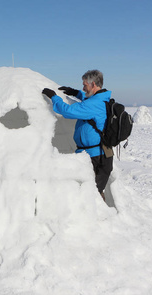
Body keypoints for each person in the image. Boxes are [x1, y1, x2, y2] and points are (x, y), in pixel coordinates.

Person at [42, 70, 113, 200]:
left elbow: (67, 111)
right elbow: (88, 99)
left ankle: (99, 218)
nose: (83, 87)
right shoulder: (99, 99)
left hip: (97, 157)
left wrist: (53, 97)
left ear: (93, 85)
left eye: (85, 85)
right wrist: (76, 93)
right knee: (92, 192)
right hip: (95, 154)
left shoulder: (94, 104)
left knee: (91, 195)